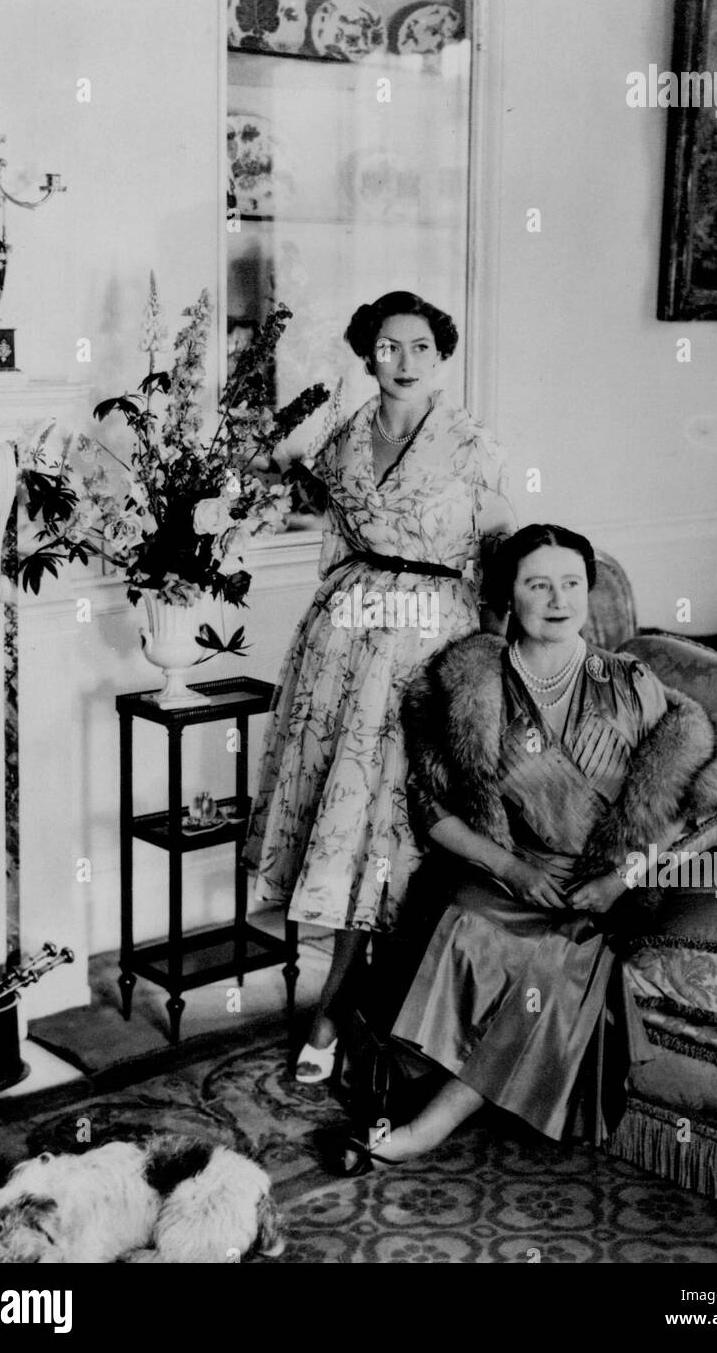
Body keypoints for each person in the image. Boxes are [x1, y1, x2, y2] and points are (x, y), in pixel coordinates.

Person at [339, 523, 717, 1169]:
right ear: (507, 597)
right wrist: (507, 867)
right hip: (512, 873)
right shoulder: (468, 690)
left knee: (557, 960)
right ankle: (411, 1070)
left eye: (571, 584)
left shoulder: (628, 682)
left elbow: (691, 805)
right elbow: (432, 812)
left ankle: (429, 1125)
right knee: (467, 924)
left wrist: (620, 879)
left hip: (604, 885)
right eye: (537, 585)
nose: (557, 599)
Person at [242, 290, 516, 1083]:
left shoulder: (472, 443)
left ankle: (351, 1011)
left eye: (420, 348)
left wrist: (494, 668)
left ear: (441, 356)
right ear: (368, 354)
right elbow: (310, 507)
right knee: (341, 817)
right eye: (388, 348)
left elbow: (504, 557)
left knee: (398, 821)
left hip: (430, 640)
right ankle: (345, 1001)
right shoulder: (342, 434)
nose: (403, 363)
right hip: (342, 645)